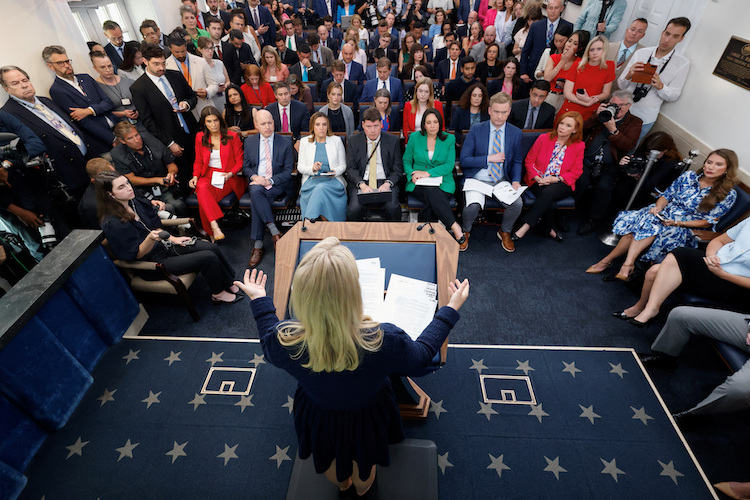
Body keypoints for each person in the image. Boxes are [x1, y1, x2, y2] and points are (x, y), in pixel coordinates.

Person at [236, 237, 469, 498]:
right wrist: (450, 309)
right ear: (353, 294)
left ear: (301, 294)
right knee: (364, 463)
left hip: (319, 414)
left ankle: (343, 486)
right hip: (368, 415)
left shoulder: (287, 340)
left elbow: (268, 344)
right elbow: (422, 356)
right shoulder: (383, 339)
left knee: (329, 459)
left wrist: (259, 300)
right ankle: (361, 490)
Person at [586, 149, 739, 280]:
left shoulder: (728, 194)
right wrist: (658, 208)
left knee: (645, 226)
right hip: (664, 214)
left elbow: (708, 222)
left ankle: (609, 262)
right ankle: (626, 265)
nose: (711, 167)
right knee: (647, 220)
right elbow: (666, 196)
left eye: (718, 164)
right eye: (709, 162)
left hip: (685, 227)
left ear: (727, 169)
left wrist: (677, 223)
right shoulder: (689, 176)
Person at [96, 171, 242, 304]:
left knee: (211, 247)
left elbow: (156, 225)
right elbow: (136, 255)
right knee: (208, 257)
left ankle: (228, 282)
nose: (129, 188)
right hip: (152, 263)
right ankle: (218, 293)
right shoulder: (112, 223)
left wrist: (173, 239)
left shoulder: (135, 202)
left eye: (127, 183)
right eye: (121, 187)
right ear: (110, 194)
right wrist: (150, 239)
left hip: (165, 246)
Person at [618, 216, 750, 327]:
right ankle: (641, 307)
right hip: (713, 265)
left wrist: (723, 274)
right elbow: (720, 240)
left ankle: (650, 309)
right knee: (653, 271)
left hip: (733, 284)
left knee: (679, 255)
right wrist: (711, 255)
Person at [0, 66, 94, 201]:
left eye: (25, 80)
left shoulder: (45, 100)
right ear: (6, 88)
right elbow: (19, 151)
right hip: (67, 178)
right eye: (15, 83)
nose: (24, 85)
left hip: (88, 162)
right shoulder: (8, 114)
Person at [459, 92, 523, 253]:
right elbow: (464, 160)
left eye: (503, 112)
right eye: (496, 112)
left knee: (517, 204)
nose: (499, 116)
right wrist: (489, 158)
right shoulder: (476, 130)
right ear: (489, 110)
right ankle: (465, 231)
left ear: (509, 112)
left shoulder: (516, 133)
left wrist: (516, 180)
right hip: (478, 179)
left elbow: (517, 161)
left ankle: (505, 231)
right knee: (472, 207)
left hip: (501, 179)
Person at [130, 43, 199, 187]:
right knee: (185, 175)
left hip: (191, 130)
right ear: (145, 61)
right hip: (171, 138)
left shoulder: (175, 75)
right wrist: (169, 143)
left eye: (163, 63)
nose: (161, 67)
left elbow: (192, 96)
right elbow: (148, 121)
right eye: (156, 64)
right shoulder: (139, 87)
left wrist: (186, 104)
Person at [574, 90, 642, 235]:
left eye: (620, 105)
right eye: (613, 104)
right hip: (587, 159)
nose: (616, 108)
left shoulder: (635, 122)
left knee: (604, 187)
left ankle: (592, 220)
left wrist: (614, 131)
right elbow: (582, 129)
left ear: (629, 106)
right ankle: (565, 212)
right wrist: (596, 116)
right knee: (579, 181)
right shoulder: (603, 113)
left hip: (610, 165)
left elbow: (628, 145)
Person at [617, 17, 692, 144]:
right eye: (667, 34)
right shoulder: (641, 53)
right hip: (621, 111)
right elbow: (621, 85)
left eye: (675, 36)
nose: (667, 40)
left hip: (644, 118)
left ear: (681, 39)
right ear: (662, 32)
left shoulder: (683, 63)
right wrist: (629, 75)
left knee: (627, 152)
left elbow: (674, 95)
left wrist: (661, 86)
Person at [513, 111, 584, 243]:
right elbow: (529, 161)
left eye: (568, 125)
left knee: (549, 192)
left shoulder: (579, 146)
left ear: (575, 130)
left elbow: (577, 171)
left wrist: (556, 179)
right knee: (549, 202)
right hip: (538, 180)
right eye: (561, 123)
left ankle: (526, 225)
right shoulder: (544, 138)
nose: (562, 127)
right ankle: (547, 229)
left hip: (562, 182)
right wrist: (537, 178)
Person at [242, 110, 295, 268]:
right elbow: (246, 167)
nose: (267, 127)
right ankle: (274, 231)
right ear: (256, 125)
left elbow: (288, 171)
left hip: (277, 183)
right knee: (256, 191)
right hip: (258, 183)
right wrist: (255, 177)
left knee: (256, 197)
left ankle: (258, 245)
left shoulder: (285, 142)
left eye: (270, 123)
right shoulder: (250, 141)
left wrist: (269, 180)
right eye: (263, 124)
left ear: (274, 122)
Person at [44, 45, 118, 153]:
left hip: (117, 125)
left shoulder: (86, 78)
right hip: (102, 140)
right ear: (50, 66)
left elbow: (108, 102)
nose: (67, 65)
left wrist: (89, 111)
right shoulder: (57, 90)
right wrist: (112, 139)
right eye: (60, 63)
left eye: (67, 61)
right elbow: (82, 121)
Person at [403, 108, 463, 240]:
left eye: (435, 122)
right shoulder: (415, 137)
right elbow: (406, 161)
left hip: (443, 181)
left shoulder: (449, 139)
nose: (432, 126)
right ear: (424, 124)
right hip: (418, 182)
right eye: (428, 122)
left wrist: (427, 173)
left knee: (432, 197)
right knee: (432, 192)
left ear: (440, 123)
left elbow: (449, 165)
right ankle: (454, 226)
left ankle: (424, 235)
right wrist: (411, 174)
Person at [188, 107, 245, 239]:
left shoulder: (232, 136)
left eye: (215, 120)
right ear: (204, 123)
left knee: (203, 195)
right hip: (207, 175)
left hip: (227, 177)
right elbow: (198, 160)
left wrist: (230, 173)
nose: (213, 124)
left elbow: (240, 161)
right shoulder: (200, 137)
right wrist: (195, 176)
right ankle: (214, 226)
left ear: (220, 120)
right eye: (209, 121)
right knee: (202, 187)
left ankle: (210, 233)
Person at [110, 122, 187, 216]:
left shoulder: (151, 141)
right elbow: (131, 179)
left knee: (179, 205)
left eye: (136, 135)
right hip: (141, 192)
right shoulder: (118, 154)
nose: (136, 140)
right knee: (161, 211)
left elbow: (171, 164)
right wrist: (157, 180)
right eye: (130, 138)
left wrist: (172, 173)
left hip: (164, 187)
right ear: (122, 141)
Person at [345, 107, 403, 221]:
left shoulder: (393, 140)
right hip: (362, 182)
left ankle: (393, 233)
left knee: (393, 208)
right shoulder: (353, 140)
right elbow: (351, 168)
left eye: (376, 126)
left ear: (381, 124)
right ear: (363, 125)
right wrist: (362, 185)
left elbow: (398, 168)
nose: (372, 130)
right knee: (354, 209)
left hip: (385, 182)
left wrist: (388, 183)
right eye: (369, 126)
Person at [610, 131, 683, 211]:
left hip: (647, 194)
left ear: (665, 150)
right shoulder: (644, 149)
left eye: (652, 153)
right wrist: (625, 164)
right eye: (647, 153)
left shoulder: (670, 163)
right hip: (631, 185)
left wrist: (638, 176)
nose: (648, 155)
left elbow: (651, 184)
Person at [297, 112, 347, 221]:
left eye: (324, 124)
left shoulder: (336, 141)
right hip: (311, 181)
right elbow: (300, 167)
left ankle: (308, 221)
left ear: (328, 126)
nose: (321, 128)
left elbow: (343, 165)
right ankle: (327, 224)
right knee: (319, 189)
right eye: (318, 124)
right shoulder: (305, 142)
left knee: (321, 189)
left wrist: (335, 171)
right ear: (312, 126)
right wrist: (312, 168)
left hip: (333, 181)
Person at [519, 0, 572, 85]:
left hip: (555, 73)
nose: (553, 11)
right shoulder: (535, 26)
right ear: (547, 9)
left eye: (556, 8)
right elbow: (526, 50)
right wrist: (523, 72)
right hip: (533, 71)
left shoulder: (568, 26)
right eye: (550, 8)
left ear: (562, 8)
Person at [541, 29, 589, 111]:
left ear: (580, 48)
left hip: (565, 99)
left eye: (575, 44)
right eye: (569, 41)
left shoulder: (580, 63)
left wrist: (565, 86)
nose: (569, 45)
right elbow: (547, 78)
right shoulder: (553, 58)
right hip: (550, 95)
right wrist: (562, 61)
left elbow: (580, 87)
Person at [606, 18, 648, 88]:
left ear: (643, 35)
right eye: (632, 29)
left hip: (622, 93)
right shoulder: (608, 47)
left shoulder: (644, 54)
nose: (634, 33)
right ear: (627, 30)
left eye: (639, 31)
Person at [197, 37, 230, 112]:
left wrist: (225, 86)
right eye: (206, 48)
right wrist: (214, 89)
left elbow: (228, 81)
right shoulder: (198, 67)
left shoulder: (219, 63)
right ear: (199, 49)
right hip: (210, 100)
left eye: (212, 48)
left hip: (223, 97)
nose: (210, 51)